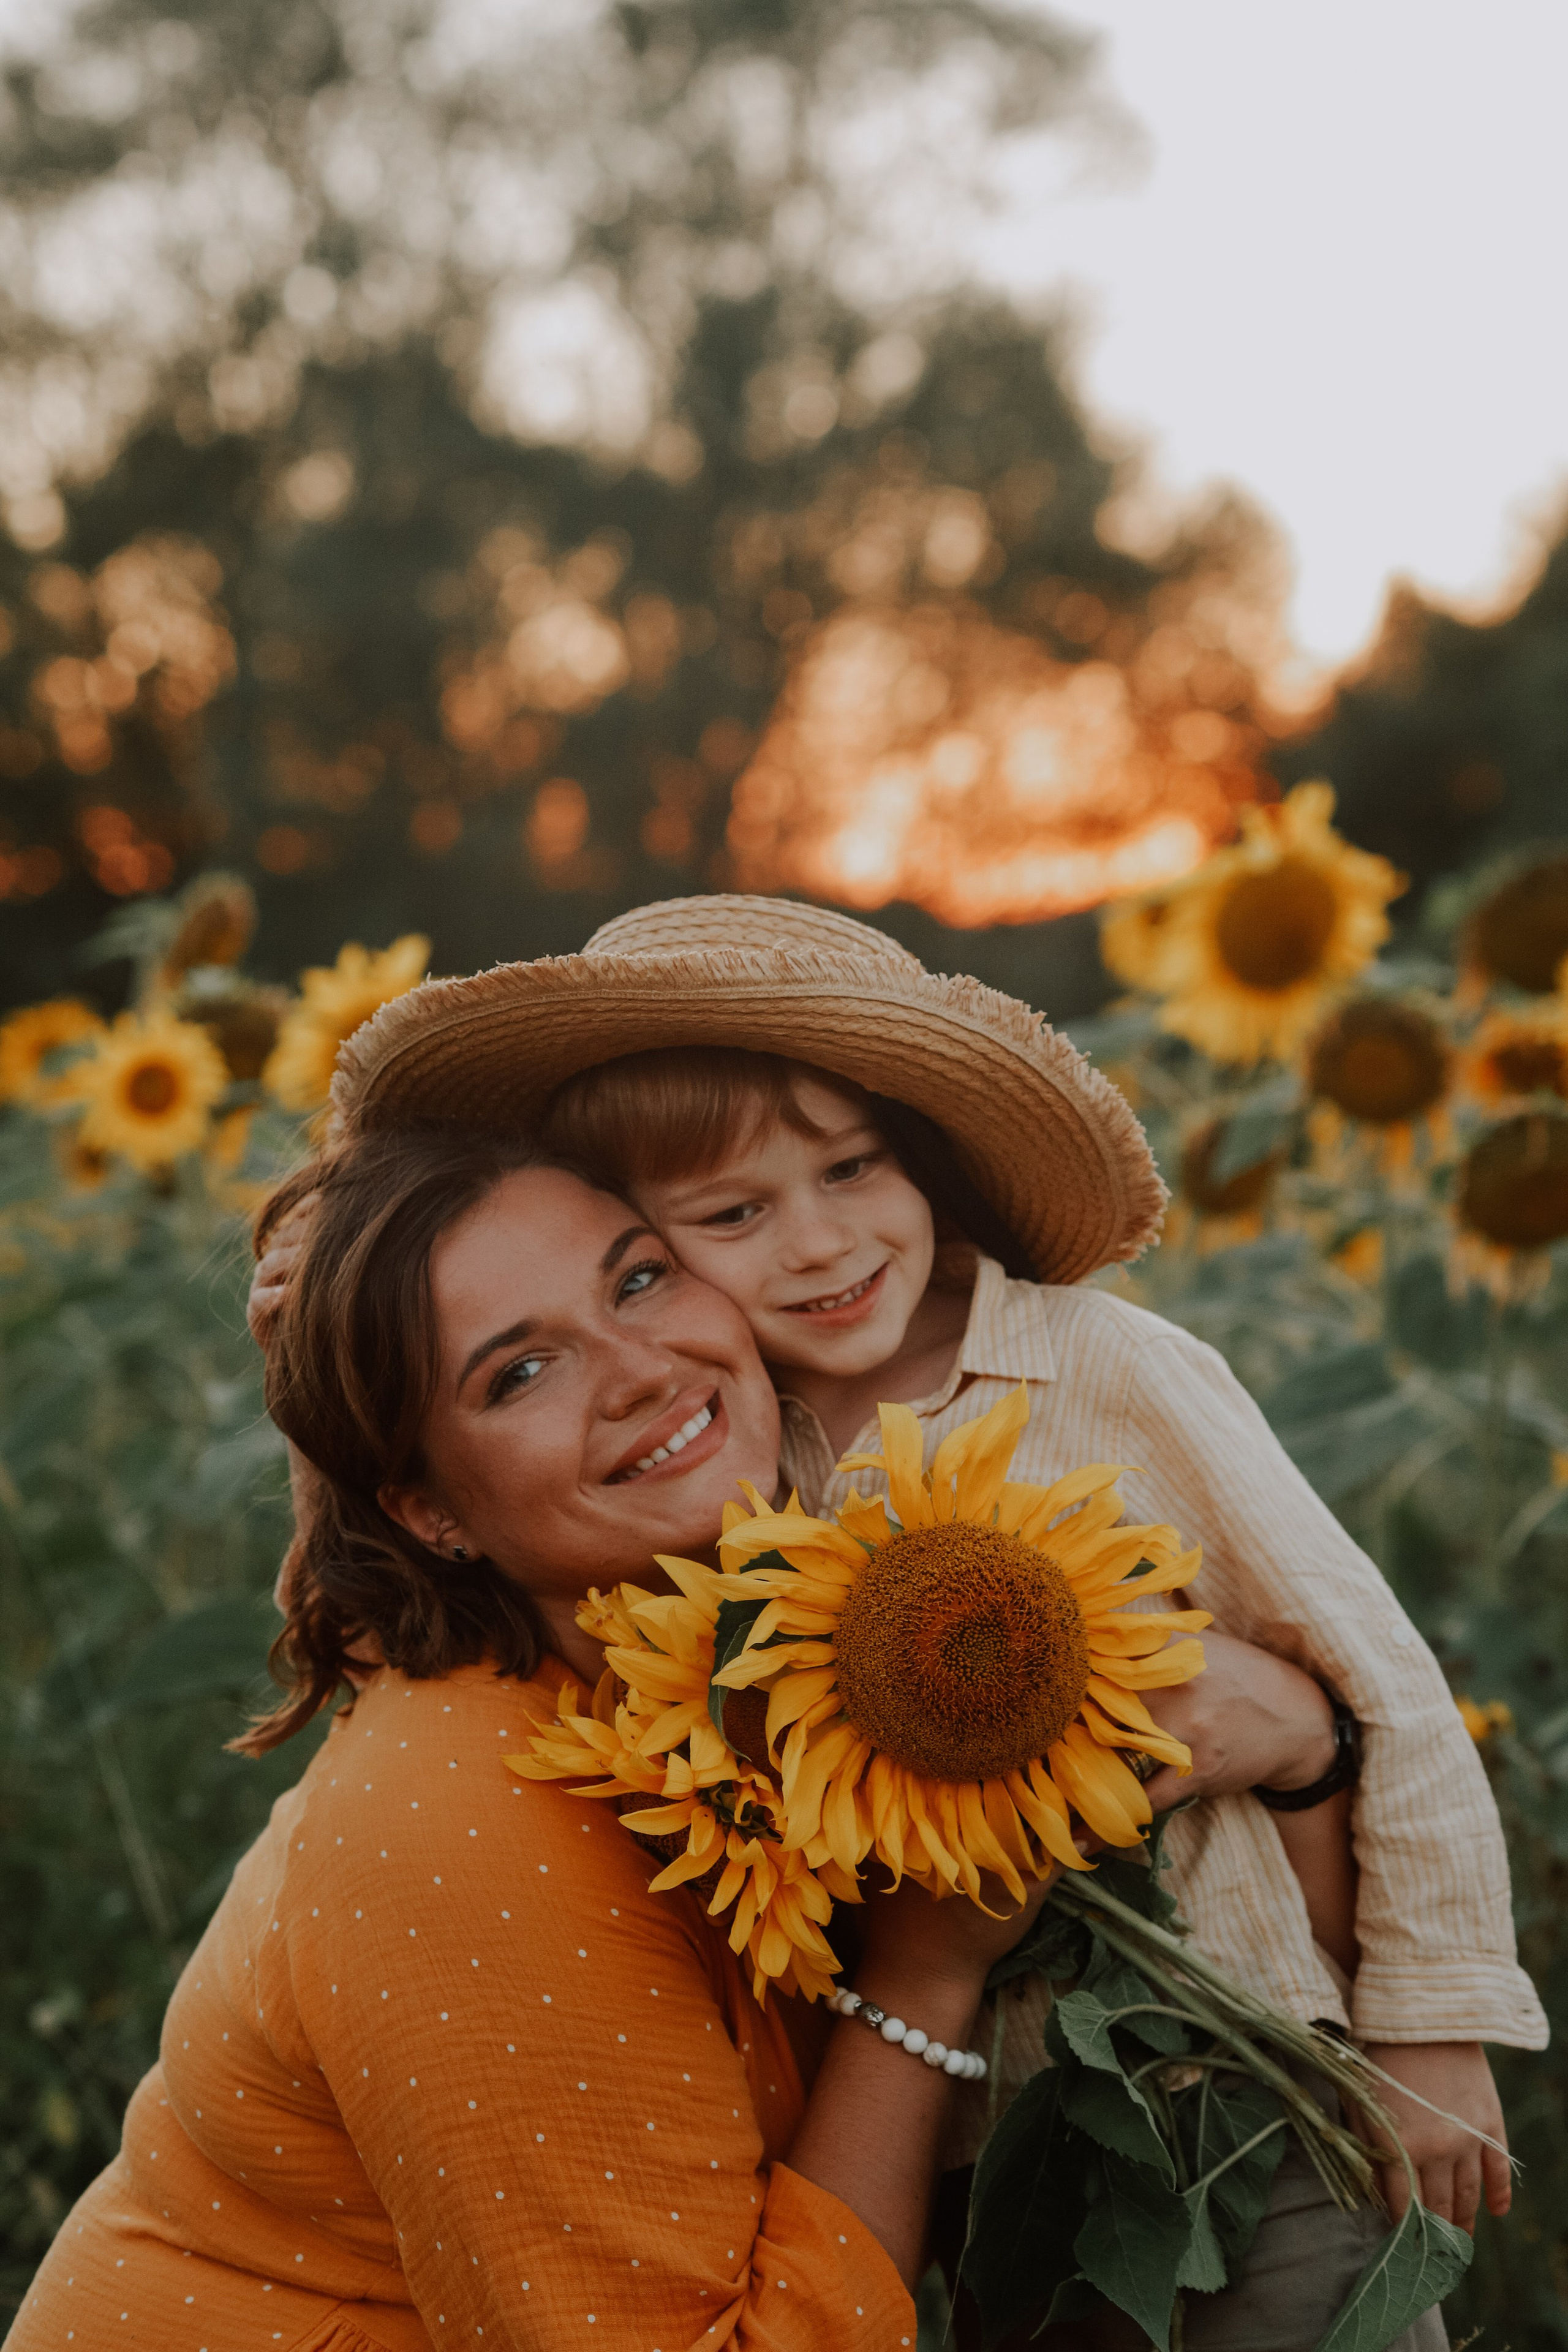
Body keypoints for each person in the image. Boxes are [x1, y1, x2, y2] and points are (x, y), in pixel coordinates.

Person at [290, 891, 1543, 2347]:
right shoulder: (732, 1476)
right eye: (732, 1217)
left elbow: (1375, 1678)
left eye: (852, 1167)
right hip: (987, 2163)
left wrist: (1428, 2029)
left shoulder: (1100, 1371)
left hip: (1240, 2083)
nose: (821, 1245)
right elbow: (454, 1460)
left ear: (919, 1154)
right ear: (655, 1253)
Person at [9, 1126, 1084, 2352]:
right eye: (519, 1374)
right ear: (427, 1511)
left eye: (637, 1278)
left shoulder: (707, 1666)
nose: (640, 1370)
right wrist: (924, 1976)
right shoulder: (463, 1829)